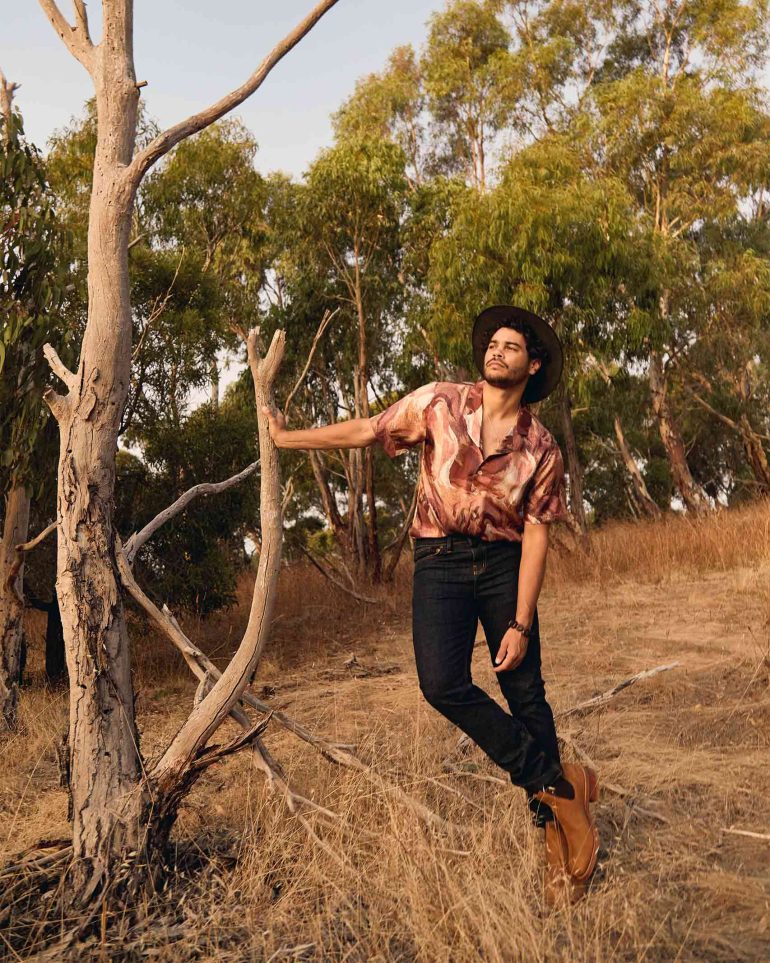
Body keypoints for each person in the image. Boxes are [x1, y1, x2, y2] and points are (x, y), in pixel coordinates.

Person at [262, 304, 599, 905]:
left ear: (533, 364)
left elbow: (539, 534)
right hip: (439, 562)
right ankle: (558, 784)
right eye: (492, 343)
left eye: (511, 346)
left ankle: (556, 844)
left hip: (502, 566)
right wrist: (288, 438)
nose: (496, 351)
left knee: (524, 692)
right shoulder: (440, 403)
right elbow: (367, 429)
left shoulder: (540, 446)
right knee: (442, 683)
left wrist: (521, 621)